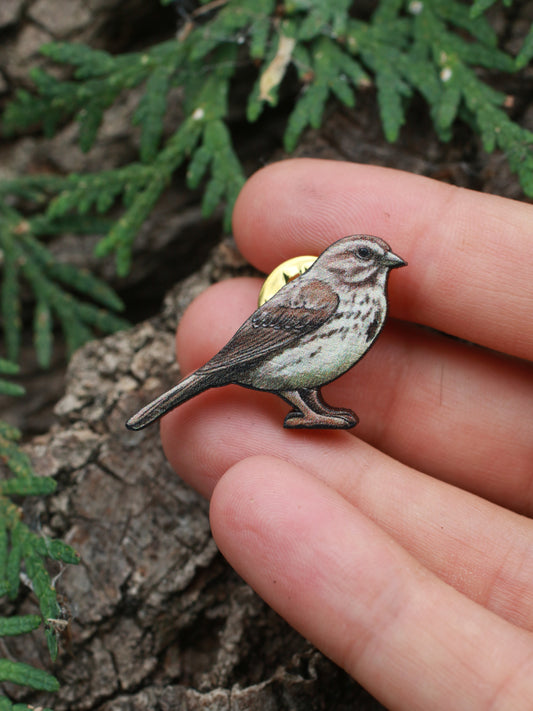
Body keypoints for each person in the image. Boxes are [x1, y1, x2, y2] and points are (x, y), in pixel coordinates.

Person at [160, 159, 533, 709]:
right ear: (337, 263)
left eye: (382, 257)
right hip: (255, 361)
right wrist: (231, 374)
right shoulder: (321, 295)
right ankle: (306, 409)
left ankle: (311, 409)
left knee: (303, 386)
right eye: (367, 255)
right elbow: (274, 355)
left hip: (287, 370)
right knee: (287, 384)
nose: (382, 263)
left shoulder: (370, 301)